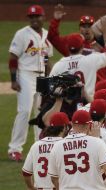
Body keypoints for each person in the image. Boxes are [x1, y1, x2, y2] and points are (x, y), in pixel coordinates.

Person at [8, 5, 53, 161]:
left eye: (37, 16)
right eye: (32, 17)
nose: (34, 19)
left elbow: (47, 58)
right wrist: (14, 80)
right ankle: (15, 148)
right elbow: (13, 57)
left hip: (41, 78)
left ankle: (39, 145)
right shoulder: (21, 34)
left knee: (40, 113)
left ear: (43, 18)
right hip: (25, 75)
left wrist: (48, 79)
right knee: (25, 111)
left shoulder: (47, 35)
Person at [48, 110, 106, 190]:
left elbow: (53, 178)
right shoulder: (98, 142)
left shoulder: (57, 146)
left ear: (72, 124)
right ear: (89, 125)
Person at [49, 33, 106, 101]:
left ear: (67, 47)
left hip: (67, 105)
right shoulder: (91, 60)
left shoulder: (59, 65)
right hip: (87, 103)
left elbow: (50, 88)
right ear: (82, 47)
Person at [22, 112, 70, 190]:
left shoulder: (36, 145)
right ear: (64, 127)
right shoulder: (66, 145)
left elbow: (26, 173)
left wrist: (31, 187)